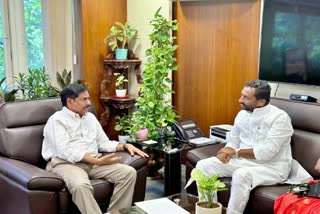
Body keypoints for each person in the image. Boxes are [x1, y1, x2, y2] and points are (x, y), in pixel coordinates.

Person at [41, 83, 148, 214]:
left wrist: (125, 146)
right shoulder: (57, 120)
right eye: (84, 99)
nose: (89, 103)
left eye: (88, 98)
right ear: (70, 101)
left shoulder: (90, 118)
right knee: (81, 186)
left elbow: (103, 143)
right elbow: (65, 151)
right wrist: (97, 161)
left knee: (128, 173)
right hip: (66, 164)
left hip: (94, 162)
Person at [195, 80, 294, 214]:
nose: (240, 100)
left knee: (241, 174)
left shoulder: (280, 118)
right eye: (242, 95)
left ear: (261, 102)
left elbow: (267, 153)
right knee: (203, 166)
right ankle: (209, 210)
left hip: (271, 166)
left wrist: (234, 152)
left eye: (246, 98)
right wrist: (226, 150)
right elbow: (234, 140)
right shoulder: (242, 114)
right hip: (243, 160)